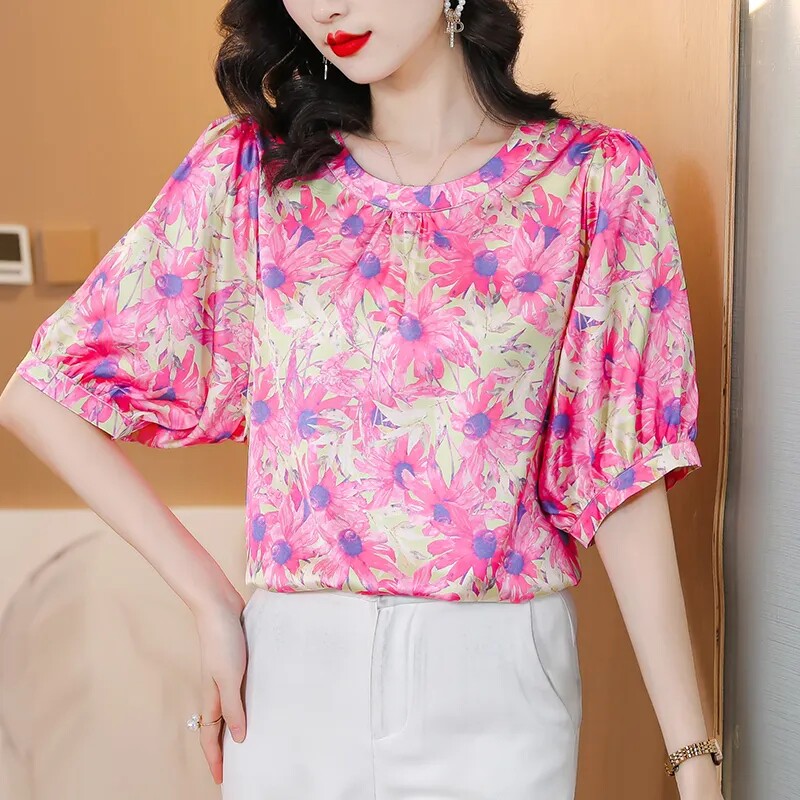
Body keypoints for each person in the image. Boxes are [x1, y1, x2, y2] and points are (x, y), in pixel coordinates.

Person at [0, 0, 724, 798]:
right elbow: (40, 395)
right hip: (293, 682)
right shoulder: (253, 173)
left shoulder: (591, 180)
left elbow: (620, 469)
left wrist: (693, 761)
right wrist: (210, 598)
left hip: (498, 688)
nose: (325, 6)